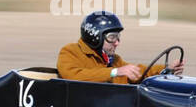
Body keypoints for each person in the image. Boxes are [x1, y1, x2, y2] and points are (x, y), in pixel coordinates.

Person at [57, 11, 185, 84]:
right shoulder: (70, 51)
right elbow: (73, 76)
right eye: (112, 37)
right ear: (95, 36)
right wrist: (115, 72)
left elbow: (137, 72)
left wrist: (166, 69)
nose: (117, 43)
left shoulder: (114, 60)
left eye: (118, 37)